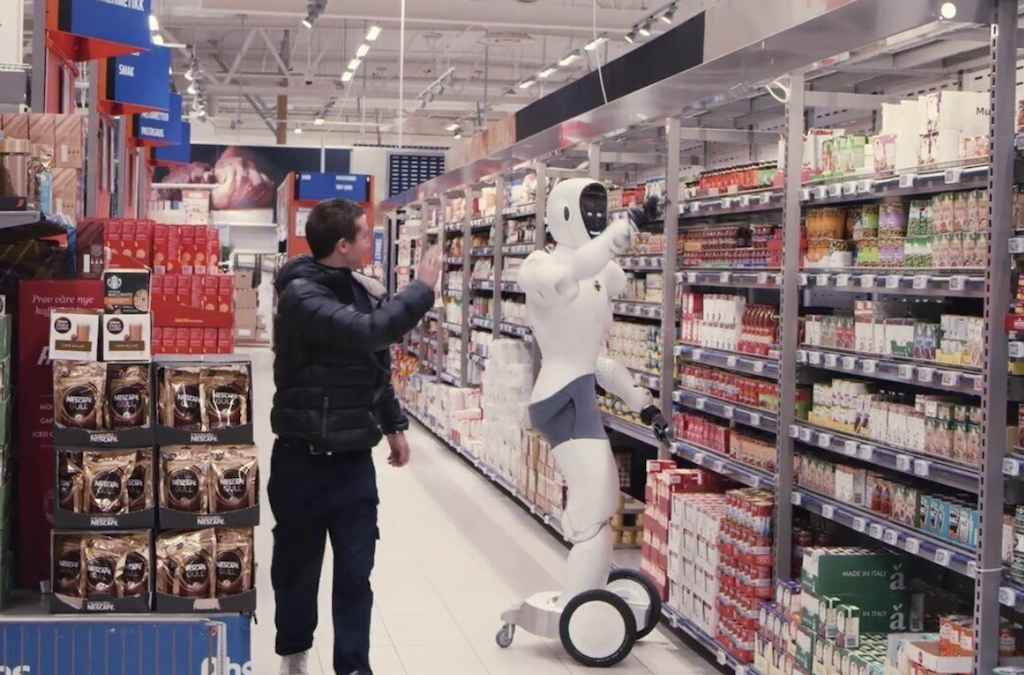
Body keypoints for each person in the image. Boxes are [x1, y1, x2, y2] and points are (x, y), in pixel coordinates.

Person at [270, 197, 441, 675]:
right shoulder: (300, 296)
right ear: (342, 245)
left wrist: (393, 425)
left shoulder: (361, 289)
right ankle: (294, 655)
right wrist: (421, 289)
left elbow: (374, 367)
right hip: (301, 460)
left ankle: (352, 667)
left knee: (356, 573)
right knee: (297, 569)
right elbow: (370, 333)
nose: (371, 241)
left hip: (351, 462)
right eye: (365, 234)